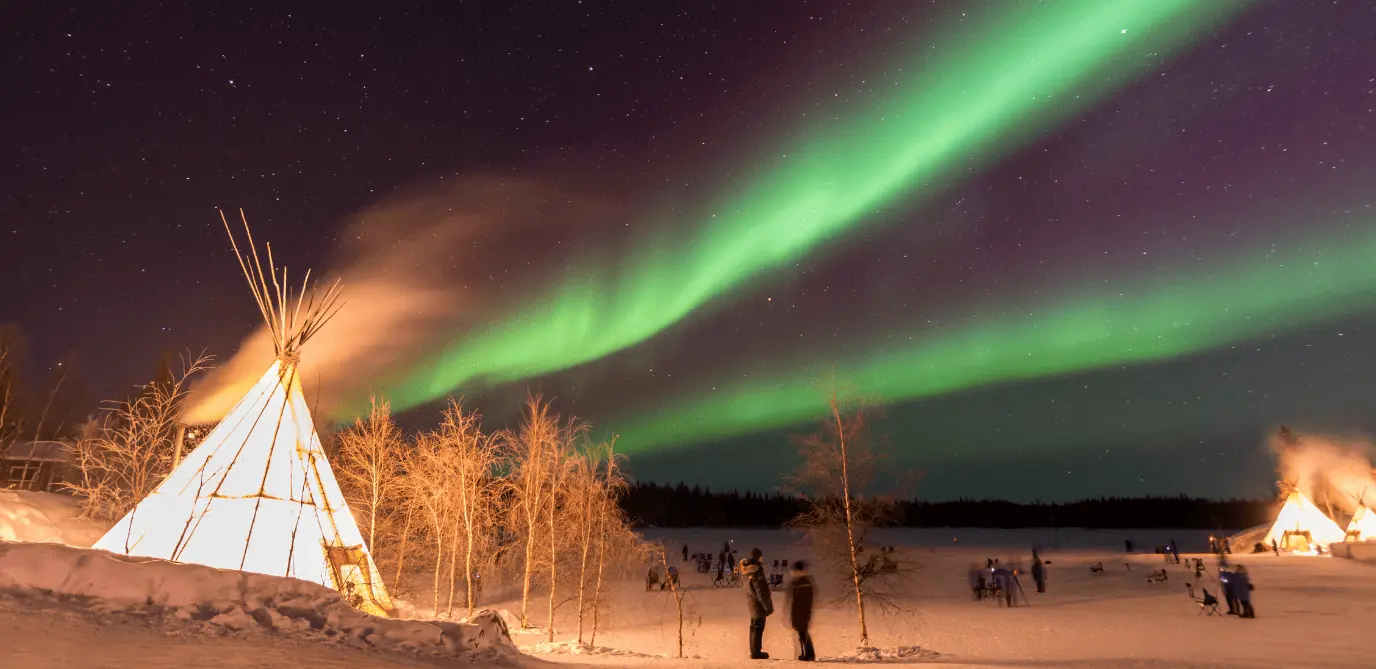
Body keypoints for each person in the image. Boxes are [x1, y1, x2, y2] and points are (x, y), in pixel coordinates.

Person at [741, 548, 774, 659]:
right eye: (761, 556)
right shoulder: (756, 573)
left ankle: (754, 650)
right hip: (758, 605)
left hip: (751, 603)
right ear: (758, 557)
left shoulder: (746, 572)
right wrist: (768, 607)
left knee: (753, 627)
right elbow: (761, 592)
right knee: (758, 627)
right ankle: (756, 652)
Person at [787, 560, 815, 661]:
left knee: (803, 633)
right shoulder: (805, 581)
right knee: (802, 633)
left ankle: (808, 654)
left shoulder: (799, 582)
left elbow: (796, 599)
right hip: (802, 611)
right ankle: (807, 653)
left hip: (800, 612)